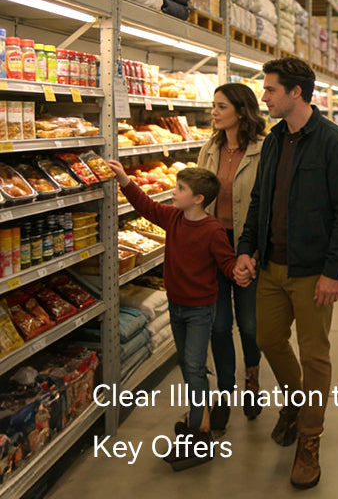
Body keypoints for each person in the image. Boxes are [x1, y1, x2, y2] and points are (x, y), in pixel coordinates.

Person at [234, 56, 338, 490]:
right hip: (270, 265)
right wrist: (247, 249)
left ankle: (309, 440)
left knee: (314, 356)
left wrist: (334, 271)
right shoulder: (272, 142)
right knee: (266, 338)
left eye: (270, 90)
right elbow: (258, 203)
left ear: (296, 94)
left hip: (312, 272)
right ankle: (297, 402)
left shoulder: (333, 142)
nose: (264, 97)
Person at [107, 160, 239, 470]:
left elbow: (227, 264)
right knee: (188, 364)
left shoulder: (213, 230)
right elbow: (146, 206)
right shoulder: (174, 218)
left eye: (180, 189)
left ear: (198, 199)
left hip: (199, 310)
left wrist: (242, 272)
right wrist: (125, 180)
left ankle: (198, 436)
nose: (173, 192)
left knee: (193, 366)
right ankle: (201, 420)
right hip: (177, 306)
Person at [197, 83, 266, 428]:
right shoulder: (209, 148)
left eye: (221, 106)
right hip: (214, 246)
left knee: (251, 325)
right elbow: (198, 195)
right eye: (214, 106)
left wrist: (250, 254)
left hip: (247, 247)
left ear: (241, 111)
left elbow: (266, 206)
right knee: (219, 326)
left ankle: (252, 375)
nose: (214, 112)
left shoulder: (263, 150)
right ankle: (224, 392)